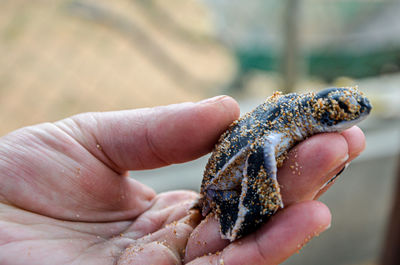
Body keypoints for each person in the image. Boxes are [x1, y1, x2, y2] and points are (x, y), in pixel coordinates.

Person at [0, 95, 366, 265]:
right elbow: (261, 155)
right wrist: (253, 210)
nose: (357, 115)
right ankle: (242, 216)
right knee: (264, 178)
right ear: (321, 112)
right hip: (221, 188)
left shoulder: (295, 116)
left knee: (324, 158)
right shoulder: (280, 127)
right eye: (347, 111)